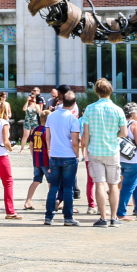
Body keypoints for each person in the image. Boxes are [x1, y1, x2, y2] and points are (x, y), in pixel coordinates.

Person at [80, 79, 126, 228]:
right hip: (112, 150)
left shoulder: (90, 109)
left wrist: (84, 150)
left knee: (99, 183)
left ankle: (103, 218)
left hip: (95, 150)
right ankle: (114, 217)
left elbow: (85, 134)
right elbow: (124, 133)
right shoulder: (118, 109)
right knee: (113, 185)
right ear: (110, 91)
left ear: (97, 92)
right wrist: (113, 134)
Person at [44, 90, 81, 226]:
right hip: (69, 156)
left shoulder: (51, 116)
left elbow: (48, 137)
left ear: (62, 101)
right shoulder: (73, 119)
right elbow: (75, 141)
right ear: (74, 104)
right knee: (68, 188)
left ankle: (48, 216)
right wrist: (77, 155)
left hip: (54, 154)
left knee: (53, 187)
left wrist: (50, 151)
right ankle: (68, 217)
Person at [116, 103, 137, 221]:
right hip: (134, 161)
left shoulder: (120, 124)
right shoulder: (135, 124)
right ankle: (120, 212)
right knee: (128, 187)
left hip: (121, 159)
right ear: (133, 114)